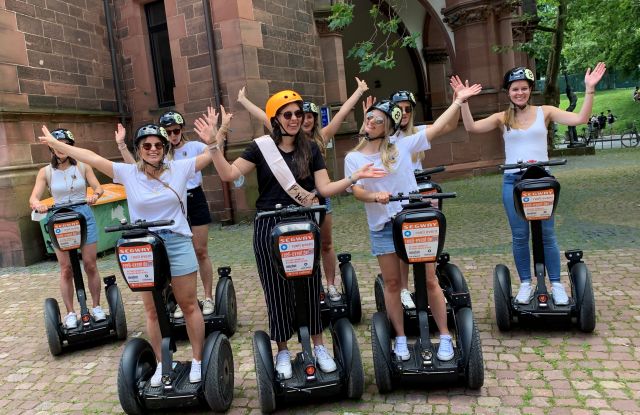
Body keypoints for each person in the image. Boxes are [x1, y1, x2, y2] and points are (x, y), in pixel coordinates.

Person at [194, 90, 385, 379]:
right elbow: (229, 175)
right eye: (288, 114)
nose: (295, 119)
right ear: (276, 119)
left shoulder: (311, 148)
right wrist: (212, 145)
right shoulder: (260, 148)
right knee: (276, 290)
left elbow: (323, 189)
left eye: (298, 113)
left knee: (310, 287)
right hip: (269, 223)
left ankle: (319, 345)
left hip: (304, 222)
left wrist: (353, 179)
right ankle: (282, 349)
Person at [38, 112, 230, 387]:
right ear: (139, 149)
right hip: (144, 246)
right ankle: (163, 363)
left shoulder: (181, 168)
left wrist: (215, 137)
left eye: (158, 145)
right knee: (152, 311)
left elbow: (211, 157)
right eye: (146, 145)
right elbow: (92, 157)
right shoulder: (127, 173)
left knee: (188, 304)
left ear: (165, 149)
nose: (153, 149)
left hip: (175, 240)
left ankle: (198, 361)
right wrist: (61, 147)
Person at [344, 81, 482, 362]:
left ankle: (444, 335)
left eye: (377, 120)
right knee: (393, 284)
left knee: (430, 280)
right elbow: (355, 190)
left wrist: (458, 101)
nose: (370, 122)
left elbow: (438, 128)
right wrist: (374, 197)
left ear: (388, 127)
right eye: (369, 118)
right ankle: (400, 339)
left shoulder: (401, 146)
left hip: (414, 221)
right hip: (383, 226)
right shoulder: (354, 157)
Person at [458, 63, 606, 306]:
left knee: (548, 235)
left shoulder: (544, 112)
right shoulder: (501, 118)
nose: (520, 93)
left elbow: (580, 118)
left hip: (541, 181)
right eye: (515, 89)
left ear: (530, 90)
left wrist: (589, 89)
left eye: (524, 88)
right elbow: (472, 127)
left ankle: (556, 284)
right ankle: (526, 283)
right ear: (508, 92)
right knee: (519, 236)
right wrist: (463, 102)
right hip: (514, 181)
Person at [237, 78, 369, 301]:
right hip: (285, 205)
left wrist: (358, 93)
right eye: (293, 115)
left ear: (313, 120)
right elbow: (264, 114)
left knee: (323, 244)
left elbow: (341, 115)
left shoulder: (319, 138)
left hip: (315, 199)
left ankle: (328, 285)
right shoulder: (277, 137)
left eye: (305, 116)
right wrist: (243, 101)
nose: (300, 120)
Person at [116, 110, 218, 318]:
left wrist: (217, 133)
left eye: (176, 130)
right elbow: (134, 169)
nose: (173, 135)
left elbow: (214, 153)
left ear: (181, 130)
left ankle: (207, 297)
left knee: (200, 250)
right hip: (166, 204)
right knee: (166, 256)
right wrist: (122, 146)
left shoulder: (193, 147)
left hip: (192, 198)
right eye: (168, 132)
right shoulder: (161, 152)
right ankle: (180, 300)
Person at [29, 128, 106, 329]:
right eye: (57, 144)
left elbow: (99, 188)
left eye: (66, 144)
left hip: (83, 215)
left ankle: (96, 307)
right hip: (59, 218)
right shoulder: (45, 172)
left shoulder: (83, 166)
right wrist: (38, 204)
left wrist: (94, 196)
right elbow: (33, 197)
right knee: (66, 269)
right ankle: (71, 312)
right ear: (52, 148)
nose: (62, 149)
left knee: (90, 264)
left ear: (71, 147)